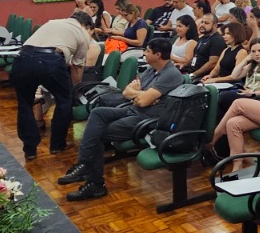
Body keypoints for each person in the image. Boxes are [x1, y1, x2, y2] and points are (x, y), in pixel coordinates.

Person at [57, 37, 184, 200]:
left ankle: (94, 184)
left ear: (158, 55)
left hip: (146, 120)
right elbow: (126, 92)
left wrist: (140, 95)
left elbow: (143, 100)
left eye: (147, 51)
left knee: (97, 135)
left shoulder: (171, 74)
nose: (144, 53)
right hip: (133, 109)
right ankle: (84, 164)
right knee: (98, 113)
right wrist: (143, 95)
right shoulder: (150, 69)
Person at [6, 7, 94, 161]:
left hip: (22, 58)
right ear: (85, 25)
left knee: (25, 104)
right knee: (64, 101)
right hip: (50, 60)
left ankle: (30, 149)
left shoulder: (52, 22)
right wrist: (74, 91)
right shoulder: (83, 33)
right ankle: (57, 144)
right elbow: (77, 67)